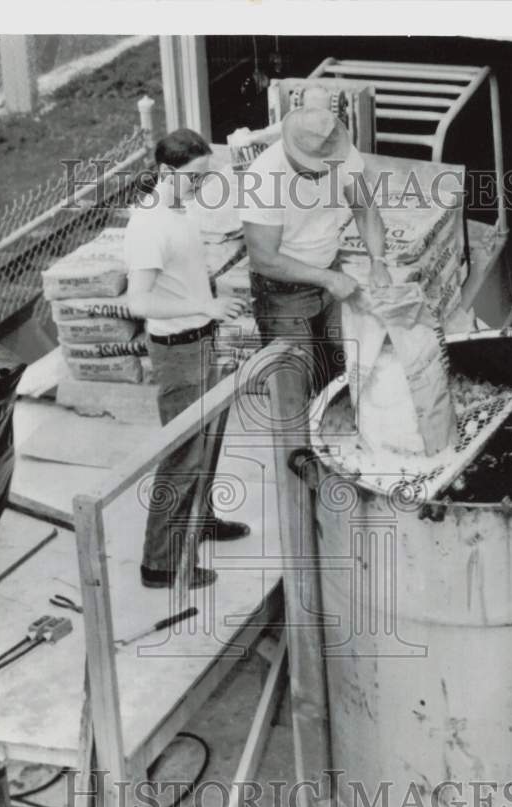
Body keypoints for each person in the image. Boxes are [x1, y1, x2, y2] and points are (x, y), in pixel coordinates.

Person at [125, 128, 249, 591]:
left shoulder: (179, 208)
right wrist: (204, 307)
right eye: (195, 177)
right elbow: (138, 303)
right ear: (165, 172)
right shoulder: (149, 225)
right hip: (178, 352)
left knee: (209, 441)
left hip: (202, 338)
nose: (202, 186)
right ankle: (159, 563)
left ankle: (200, 520)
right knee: (182, 455)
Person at [239, 97, 391, 392]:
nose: (325, 170)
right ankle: (298, 439)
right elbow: (263, 259)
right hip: (282, 295)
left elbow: (365, 209)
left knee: (337, 373)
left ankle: (331, 433)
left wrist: (378, 262)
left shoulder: (340, 153)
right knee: (293, 385)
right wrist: (329, 278)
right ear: (293, 151)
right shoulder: (264, 178)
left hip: (328, 277)